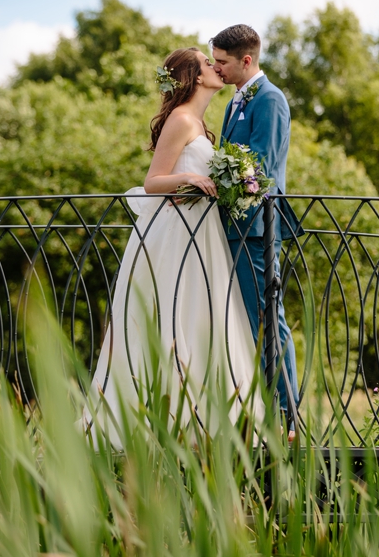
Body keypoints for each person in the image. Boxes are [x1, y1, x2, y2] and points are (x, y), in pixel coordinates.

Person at [83, 46, 264, 445]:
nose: (216, 68)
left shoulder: (199, 122)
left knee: (204, 317)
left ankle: (208, 421)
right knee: (173, 316)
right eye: (207, 63)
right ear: (196, 76)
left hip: (203, 230)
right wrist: (189, 178)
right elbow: (152, 182)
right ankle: (162, 421)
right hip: (178, 231)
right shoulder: (181, 120)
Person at [211, 24, 300, 435]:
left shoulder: (270, 100)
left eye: (222, 62)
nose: (217, 69)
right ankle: (257, 413)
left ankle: (287, 415)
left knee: (267, 318)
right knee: (245, 322)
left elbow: (260, 170)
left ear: (246, 60)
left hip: (257, 227)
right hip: (230, 227)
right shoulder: (234, 103)